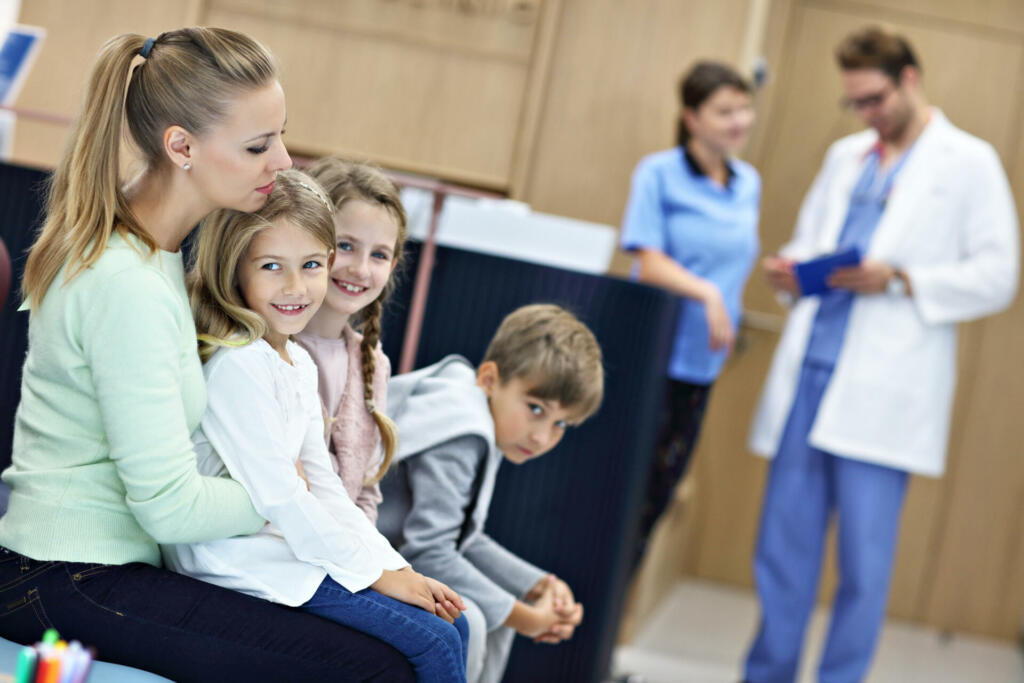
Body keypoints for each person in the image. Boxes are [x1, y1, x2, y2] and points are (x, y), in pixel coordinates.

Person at [0, 28, 416, 681]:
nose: (282, 161)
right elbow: (168, 505)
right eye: (257, 145)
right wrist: (279, 488)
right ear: (181, 146)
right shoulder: (125, 282)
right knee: (374, 667)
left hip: (102, 566)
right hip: (64, 578)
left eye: (280, 135)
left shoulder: (157, 254)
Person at [745, 26, 1019, 683]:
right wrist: (793, 270)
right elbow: (814, 239)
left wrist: (899, 278)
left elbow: (999, 274)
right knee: (782, 551)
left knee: (864, 566)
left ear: (910, 80)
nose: (867, 115)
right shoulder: (847, 157)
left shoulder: (968, 161)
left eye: (875, 99)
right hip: (812, 372)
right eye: (856, 104)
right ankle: (765, 675)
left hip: (884, 390)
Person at [162, 169, 469, 682]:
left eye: (309, 265)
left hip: (290, 547)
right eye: (271, 267)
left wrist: (396, 568)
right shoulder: (237, 365)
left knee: (451, 628)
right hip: (240, 560)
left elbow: (323, 483)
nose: (295, 287)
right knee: (434, 640)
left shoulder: (295, 364)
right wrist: (375, 574)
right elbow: (282, 496)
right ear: (237, 270)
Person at [377, 304, 602, 683]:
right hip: (358, 555)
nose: (542, 436)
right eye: (535, 409)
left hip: (390, 552)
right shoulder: (463, 432)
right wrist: (527, 617)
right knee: (475, 619)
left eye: (560, 423)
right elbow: (428, 549)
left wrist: (538, 584)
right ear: (490, 378)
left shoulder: (478, 409)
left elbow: (462, 535)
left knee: (499, 613)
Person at [620, 61, 760, 569]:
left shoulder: (747, 184)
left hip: (702, 365)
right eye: (725, 111)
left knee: (658, 498)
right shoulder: (659, 173)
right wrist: (707, 294)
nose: (739, 120)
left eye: (744, 108)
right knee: (624, 495)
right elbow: (648, 258)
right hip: (655, 354)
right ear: (692, 117)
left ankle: (612, 620)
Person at [295, 157, 406, 525]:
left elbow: (366, 493)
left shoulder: (374, 365)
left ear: (392, 267)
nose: (360, 269)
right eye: (345, 245)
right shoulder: (269, 346)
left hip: (341, 555)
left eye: (378, 255)